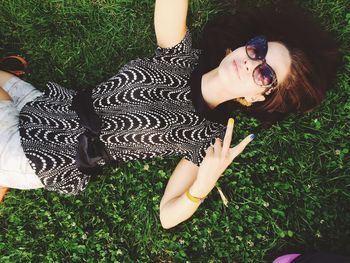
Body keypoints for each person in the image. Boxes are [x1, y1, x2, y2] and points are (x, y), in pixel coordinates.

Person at [0, 0, 341, 228]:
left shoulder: (210, 138)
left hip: (41, 155)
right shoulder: (179, 56)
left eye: (265, 74)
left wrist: (207, 180)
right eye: (258, 49)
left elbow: (167, 216)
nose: (252, 62)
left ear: (255, 98)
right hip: (41, 106)